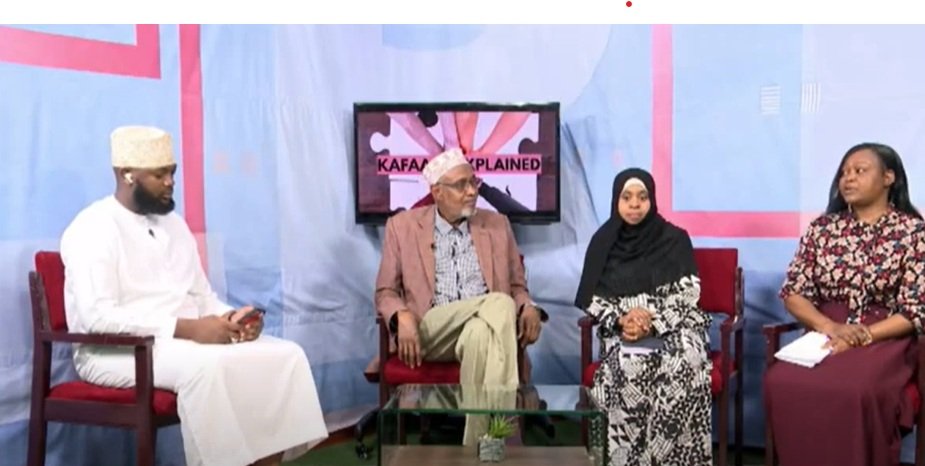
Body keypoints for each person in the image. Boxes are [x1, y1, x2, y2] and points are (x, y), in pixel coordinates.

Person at [60, 126, 328, 466]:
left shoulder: (174, 225)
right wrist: (187, 329)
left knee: (283, 354)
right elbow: (97, 318)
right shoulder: (93, 228)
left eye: (172, 172)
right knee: (208, 367)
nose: (171, 182)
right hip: (114, 352)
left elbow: (202, 298)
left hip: (178, 343)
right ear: (127, 175)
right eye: (159, 175)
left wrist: (232, 319)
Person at [765, 143, 925, 466]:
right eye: (844, 173)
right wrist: (830, 327)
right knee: (780, 380)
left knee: (856, 390)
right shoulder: (822, 229)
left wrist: (862, 334)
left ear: (888, 177)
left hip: (886, 335)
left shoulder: (913, 232)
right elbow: (794, 291)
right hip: (827, 330)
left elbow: (915, 309)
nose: (848, 178)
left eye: (859, 171)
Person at [374, 147, 547, 443]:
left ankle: (480, 446)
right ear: (437, 192)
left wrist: (528, 305)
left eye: (473, 183)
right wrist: (400, 315)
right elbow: (385, 291)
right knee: (500, 303)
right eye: (460, 185)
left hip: (483, 329)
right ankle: (507, 427)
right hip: (430, 330)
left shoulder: (497, 224)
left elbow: (518, 287)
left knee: (481, 332)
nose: (471, 192)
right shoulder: (402, 227)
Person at [575, 168, 712, 466]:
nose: (635, 205)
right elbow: (592, 299)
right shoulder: (603, 243)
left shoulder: (675, 239)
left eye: (642, 197)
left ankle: (667, 460)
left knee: (687, 359)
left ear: (652, 200)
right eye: (627, 198)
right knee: (627, 366)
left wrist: (653, 321)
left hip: (674, 325)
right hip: (623, 331)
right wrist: (622, 319)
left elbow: (689, 293)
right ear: (616, 201)